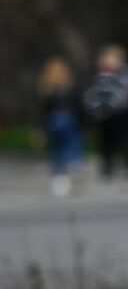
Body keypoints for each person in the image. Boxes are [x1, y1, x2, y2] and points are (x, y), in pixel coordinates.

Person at [83, 44, 128, 180]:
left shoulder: (126, 73)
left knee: (125, 141)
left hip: (122, 113)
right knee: (106, 143)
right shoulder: (100, 75)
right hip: (104, 114)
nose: (109, 60)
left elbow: (127, 91)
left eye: (112, 58)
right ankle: (107, 170)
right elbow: (92, 94)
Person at [36, 56, 85, 196]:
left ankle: (74, 162)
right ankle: (66, 169)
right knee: (58, 150)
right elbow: (42, 112)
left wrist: (84, 124)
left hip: (71, 123)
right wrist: (40, 130)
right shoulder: (47, 91)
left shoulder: (73, 88)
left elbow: (79, 108)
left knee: (72, 136)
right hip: (55, 124)